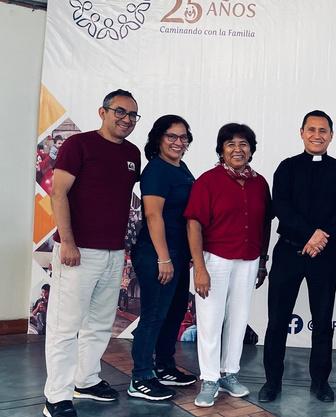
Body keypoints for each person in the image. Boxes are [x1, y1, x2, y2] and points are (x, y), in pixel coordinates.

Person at [44, 89, 142, 417]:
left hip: (113, 253)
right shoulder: (79, 145)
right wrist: (68, 242)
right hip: (78, 251)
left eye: (132, 115)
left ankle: (85, 380)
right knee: (64, 327)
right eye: (120, 111)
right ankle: (56, 397)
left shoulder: (132, 153)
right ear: (103, 112)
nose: (126, 119)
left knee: (99, 323)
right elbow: (58, 194)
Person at [259, 110, 336, 403]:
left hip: (324, 254)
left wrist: (321, 237)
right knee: (277, 320)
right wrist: (311, 235)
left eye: (323, 130)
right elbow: (281, 207)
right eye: (311, 129)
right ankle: (272, 382)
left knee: (323, 321)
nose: (317, 135)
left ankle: (320, 382)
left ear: (331, 135)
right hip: (288, 251)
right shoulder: (287, 167)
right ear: (301, 133)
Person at [184, 123, 274, 408]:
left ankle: (229, 373)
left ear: (251, 149)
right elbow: (193, 224)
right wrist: (200, 268)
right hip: (215, 259)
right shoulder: (208, 181)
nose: (238, 149)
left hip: (248, 260)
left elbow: (265, 223)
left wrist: (262, 260)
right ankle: (210, 378)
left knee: (238, 317)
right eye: (231, 144)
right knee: (210, 320)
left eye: (244, 144)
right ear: (221, 150)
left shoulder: (259, 183)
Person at [127, 115, 198, 401]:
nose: (178, 142)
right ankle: (141, 377)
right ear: (159, 139)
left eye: (183, 137)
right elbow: (153, 215)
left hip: (178, 254)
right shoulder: (156, 170)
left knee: (174, 311)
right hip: (157, 254)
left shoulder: (180, 167)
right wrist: (163, 258)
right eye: (172, 136)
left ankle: (164, 366)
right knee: (154, 314)